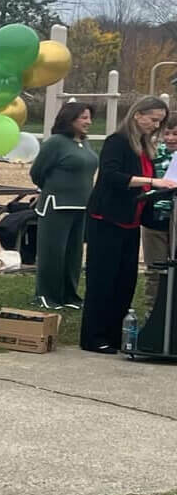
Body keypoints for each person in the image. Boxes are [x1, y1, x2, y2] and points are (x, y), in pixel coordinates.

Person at [81, 96, 177, 352]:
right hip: (107, 219)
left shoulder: (144, 147)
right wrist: (152, 182)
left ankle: (115, 335)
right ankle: (94, 336)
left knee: (125, 281)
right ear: (137, 115)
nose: (155, 126)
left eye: (159, 122)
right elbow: (112, 176)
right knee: (103, 278)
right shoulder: (117, 142)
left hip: (131, 221)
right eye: (153, 120)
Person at [29, 102, 98, 310]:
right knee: (53, 252)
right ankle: (46, 295)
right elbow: (37, 173)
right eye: (83, 118)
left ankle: (69, 294)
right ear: (70, 119)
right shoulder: (55, 143)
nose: (89, 122)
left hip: (81, 206)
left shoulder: (85, 144)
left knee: (73, 254)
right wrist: (54, 188)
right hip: (56, 206)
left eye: (89, 117)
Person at [141, 121, 177, 279]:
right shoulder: (151, 155)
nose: (170, 138)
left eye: (175, 134)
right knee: (155, 268)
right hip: (155, 216)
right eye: (166, 134)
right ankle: (154, 303)